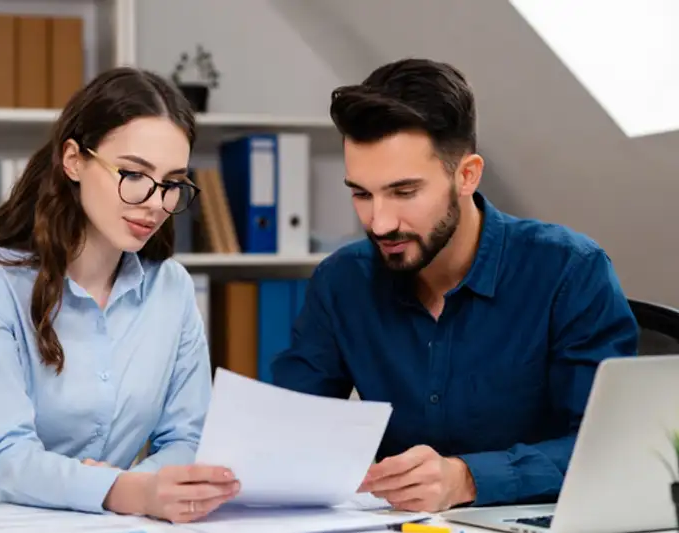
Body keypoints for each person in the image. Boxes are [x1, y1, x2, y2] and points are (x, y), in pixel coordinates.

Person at [270, 58, 639, 512]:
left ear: (467, 175)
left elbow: (608, 449)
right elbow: (289, 431)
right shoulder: (341, 281)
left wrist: (468, 479)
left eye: (404, 192)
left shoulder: (570, 270)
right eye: (362, 194)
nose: (379, 223)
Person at [0, 68, 239, 523]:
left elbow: (186, 440)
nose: (156, 203)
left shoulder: (171, 287)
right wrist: (124, 491)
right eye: (134, 174)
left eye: (172, 183)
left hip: (115, 523)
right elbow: (7, 461)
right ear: (73, 160)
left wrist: (133, 490)